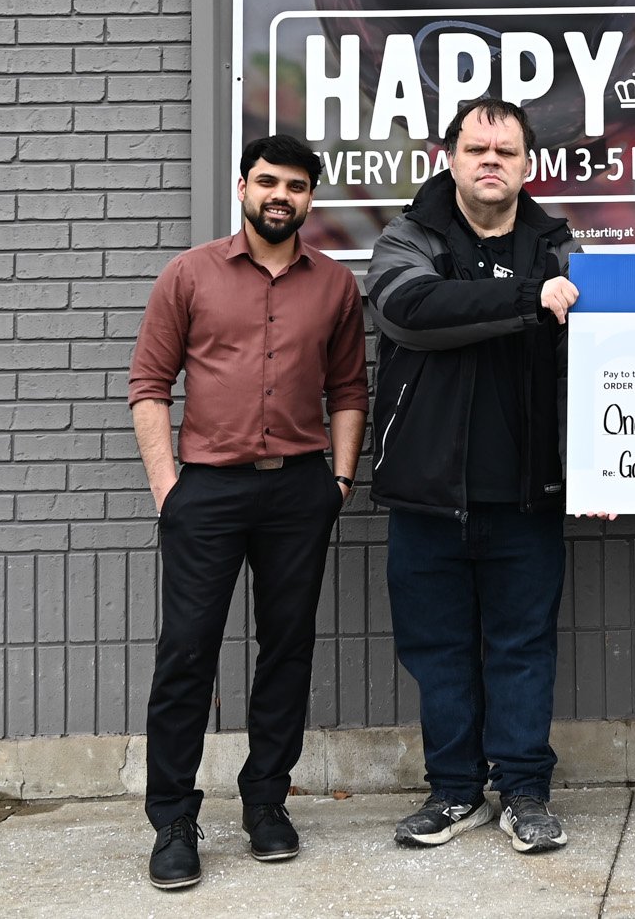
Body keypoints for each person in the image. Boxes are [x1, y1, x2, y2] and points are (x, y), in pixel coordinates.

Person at [127, 133, 367, 891]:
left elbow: (350, 391)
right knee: (188, 652)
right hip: (207, 491)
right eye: (267, 182)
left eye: (295, 186)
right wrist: (169, 485)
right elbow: (148, 382)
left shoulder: (333, 285)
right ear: (242, 187)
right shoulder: (189, 274)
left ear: (309, 199)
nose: (280, 197)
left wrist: (340, 479)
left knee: (287, 650)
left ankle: (267, 803)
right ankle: (172, 817)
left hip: (300, 490)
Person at [365, 97, 580, 855]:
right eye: (476, 148)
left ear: (528, 165)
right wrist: (530, 301)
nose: (492, 161)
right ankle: (454, 790)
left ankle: (523, 790)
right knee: (439, 649)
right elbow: (410, 310)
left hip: (526, 493)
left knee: (523, 646)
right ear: (448, 156)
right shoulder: (409, 237)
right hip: (428, 495)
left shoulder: (556, 247)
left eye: (507, 150)